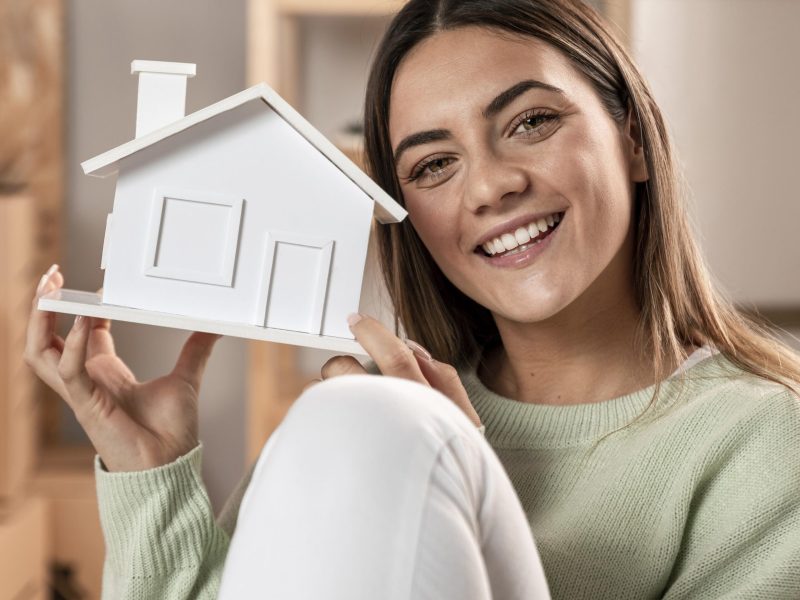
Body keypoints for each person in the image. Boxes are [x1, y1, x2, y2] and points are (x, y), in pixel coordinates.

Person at [24, 0, 800, 598]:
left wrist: (460, 463)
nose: (493, 186)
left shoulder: (762, 442)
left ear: (632, 137)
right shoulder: (369, 412)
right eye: (433, 166)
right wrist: (152, 475)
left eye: (531, 122)